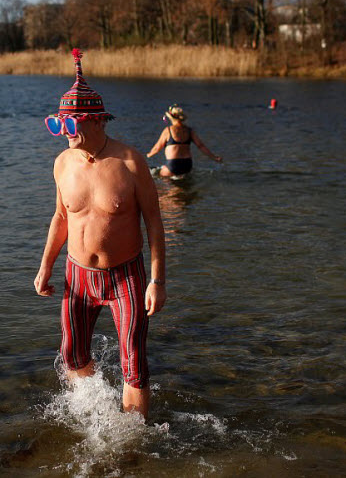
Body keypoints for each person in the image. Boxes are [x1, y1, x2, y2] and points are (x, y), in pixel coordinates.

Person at [34, 49, 166, 419]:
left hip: (126, 276)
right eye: (58, 124)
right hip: (78, 276)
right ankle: (95, 415)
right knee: (72, 354)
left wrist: (157, 280)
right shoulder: (62, 163)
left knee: (134, 362)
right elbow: (61, 216)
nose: (64, 133)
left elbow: (155, 223)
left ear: (96, 122)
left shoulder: (130, 162)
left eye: (70, 125)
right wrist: (45, 266)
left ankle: (134, 440)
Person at [146, 105, 222, 178]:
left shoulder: (168, 130)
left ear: (171, 118)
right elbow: (201, 146)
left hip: (173, 164)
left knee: (159, 179)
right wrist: (214, 157)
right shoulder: (189, 130)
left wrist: (148, 155)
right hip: (187, 164)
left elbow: (157, 147)